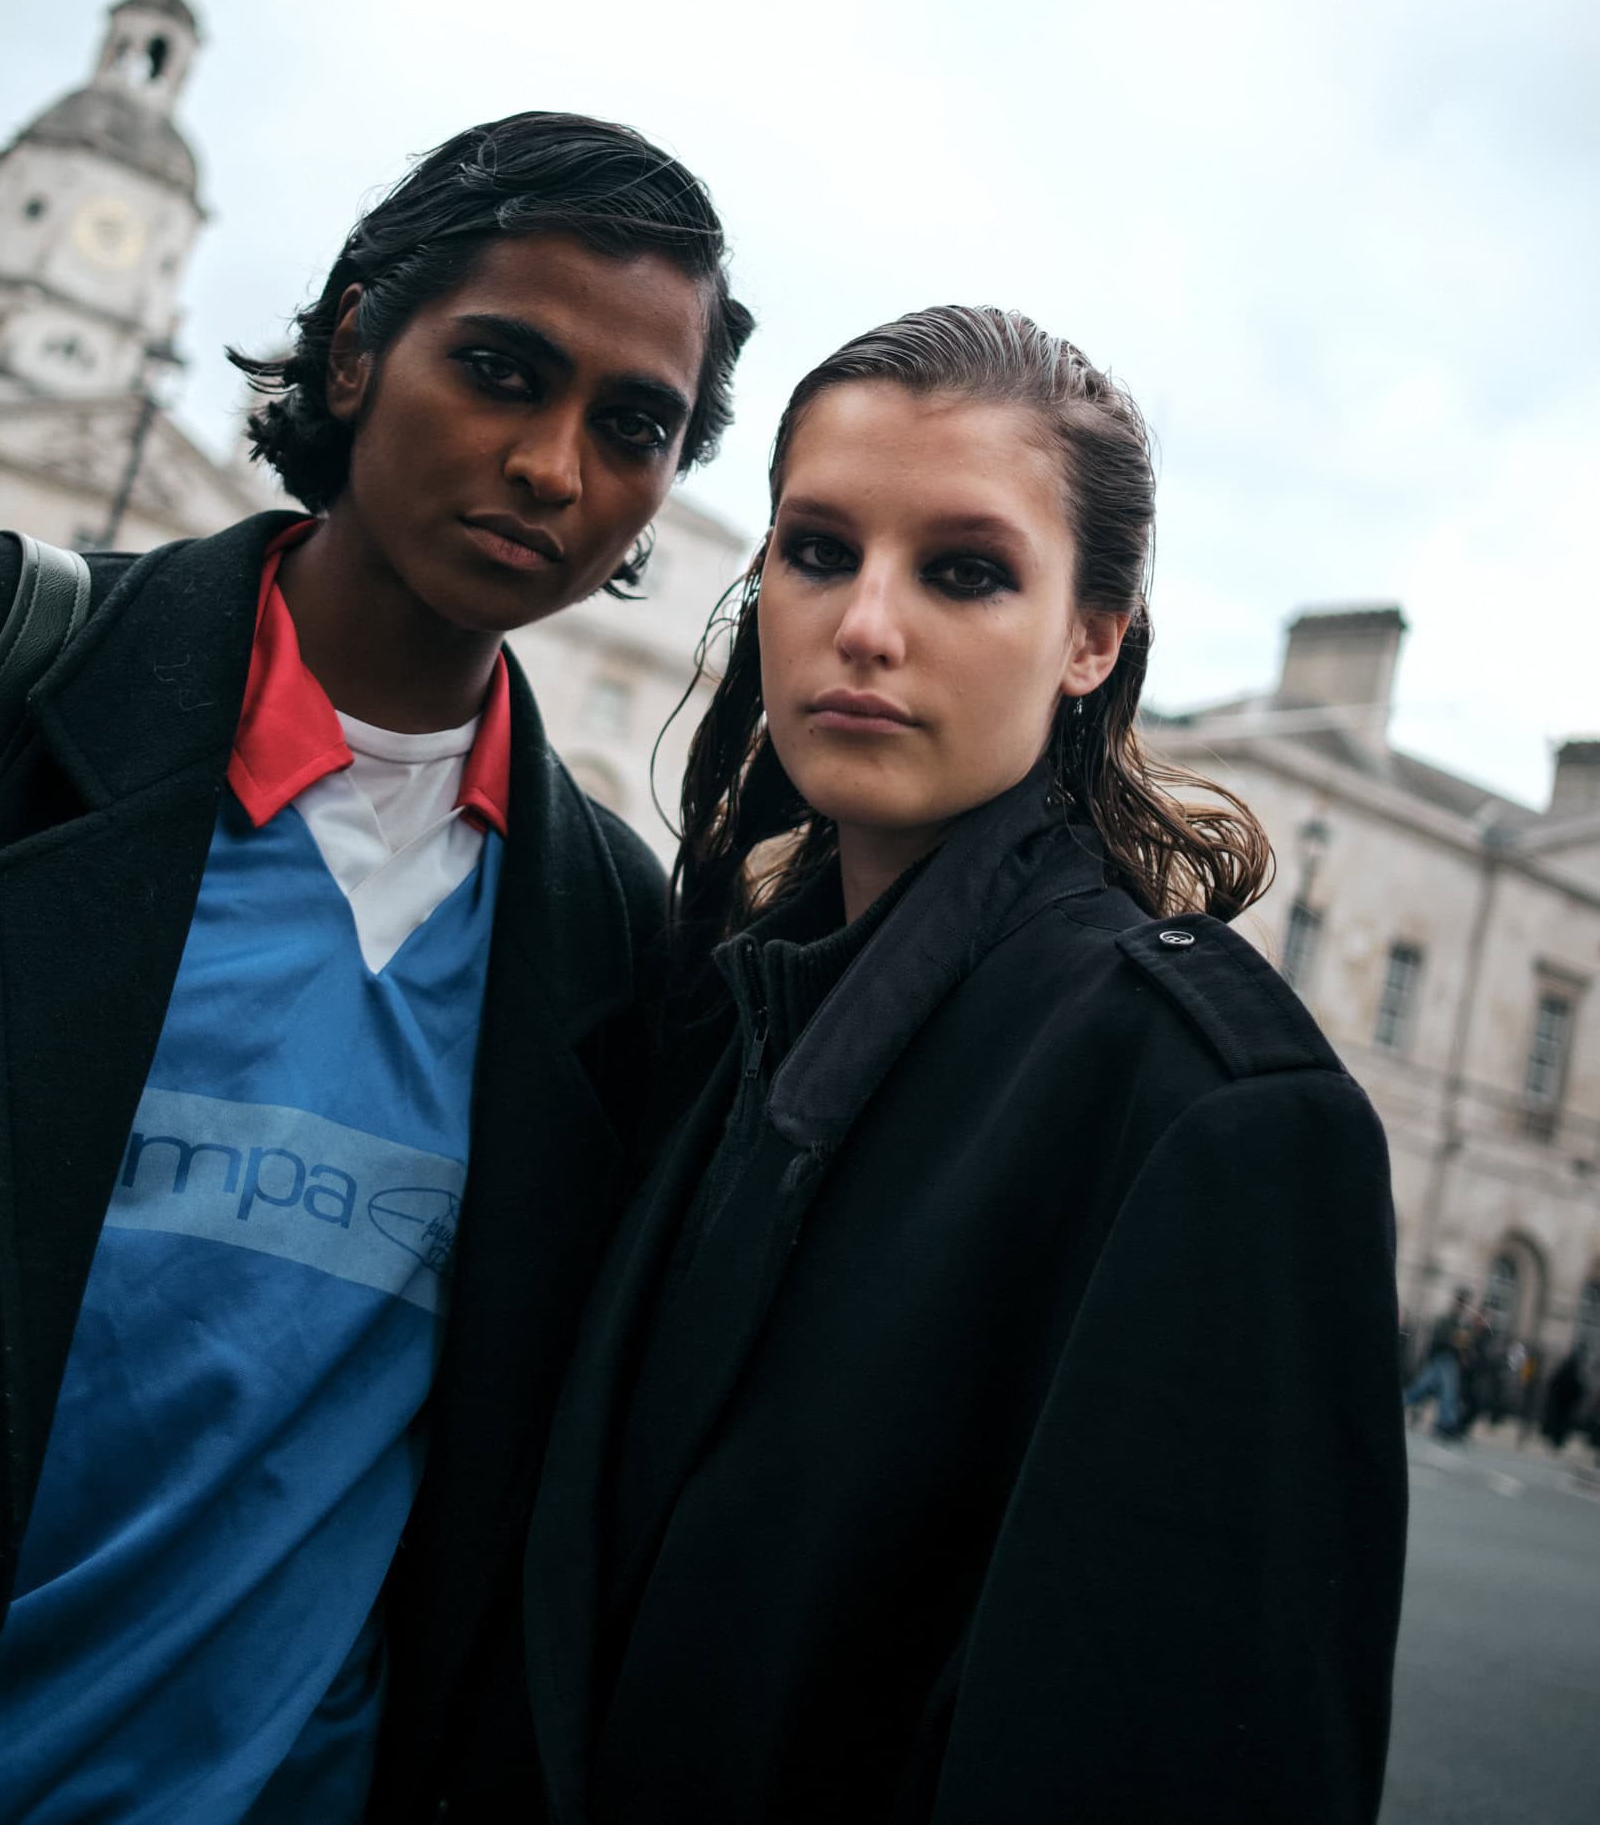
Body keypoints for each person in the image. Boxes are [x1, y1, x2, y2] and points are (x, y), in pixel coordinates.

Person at [0, 113, 752, 1823]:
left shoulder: (610, 933)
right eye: (502, 370)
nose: (551, 466)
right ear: (359, 343)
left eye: (633, 425)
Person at [509, 306, 1408, 1825]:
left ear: (1092, 638)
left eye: (964, 571)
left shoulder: (1207, 1107)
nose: (864, 623)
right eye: (816, 551)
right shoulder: (708, 1015)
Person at [1404, 1287, 1471, 1438]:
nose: (1461, 1306)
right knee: (1444, 1389)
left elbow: (1463, 1345)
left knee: (1421, 1389)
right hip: (1441, 1359)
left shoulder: (1461, 1324)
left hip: (1447, 1361)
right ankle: (1446, 1422)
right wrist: (1454, 1343)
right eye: (1460, 1302)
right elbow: (1438, 1341)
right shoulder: (1445, 1320)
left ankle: (1445, 1422)